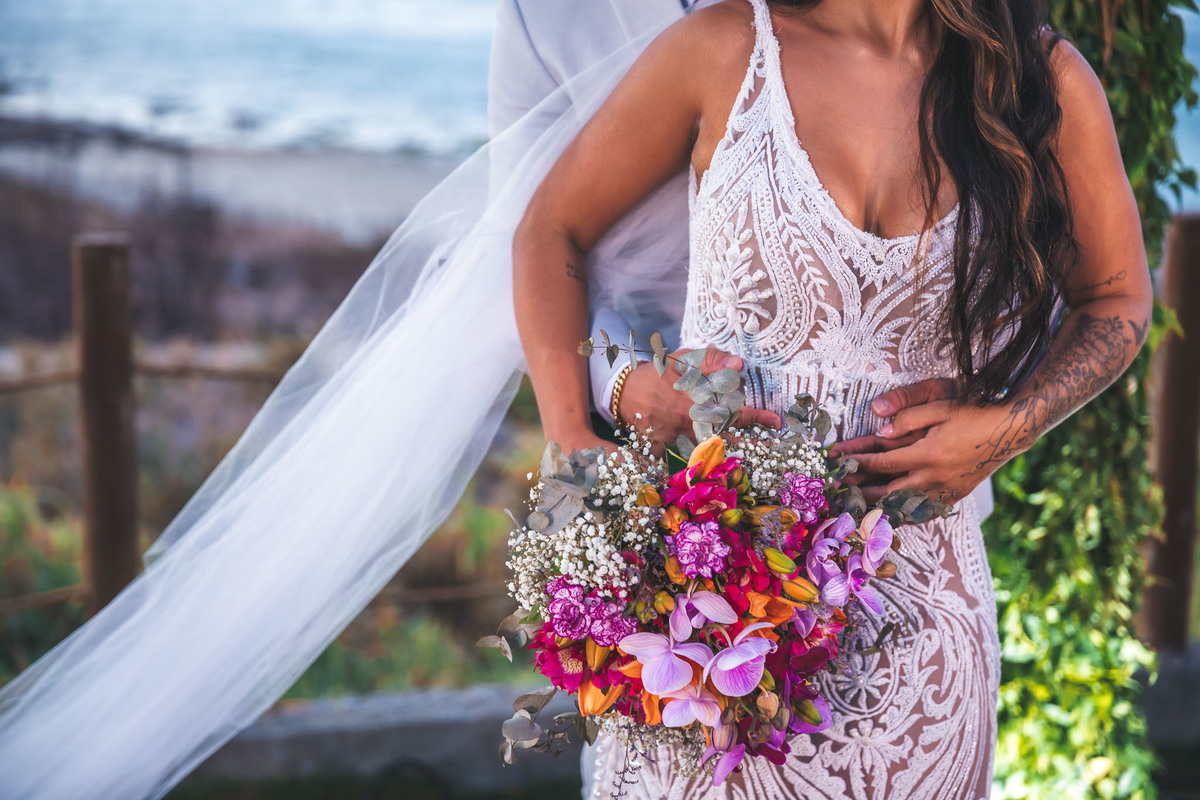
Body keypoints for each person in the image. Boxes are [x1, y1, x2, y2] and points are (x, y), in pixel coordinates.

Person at [512, 0, 1149, 797]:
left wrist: (1005, 429)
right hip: (708, 621)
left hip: (921, 639)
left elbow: (1117, 299)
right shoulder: (725, 47)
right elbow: (549, 229)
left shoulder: (1036, 79)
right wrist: (570, 427)